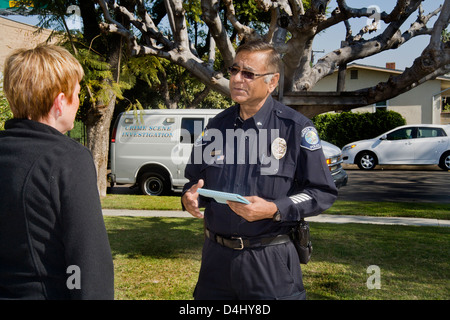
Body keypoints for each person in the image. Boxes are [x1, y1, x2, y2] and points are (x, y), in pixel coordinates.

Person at [182, 40, 337, 300]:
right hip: (215, 262)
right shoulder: (216, 127)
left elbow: (321, 192)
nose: (237, 79)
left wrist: (275, 209)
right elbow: (194, 180)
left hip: (269, 261)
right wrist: (189, 196)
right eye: (234, 70)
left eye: (249, 74)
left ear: (272, 82)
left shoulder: (296, 128)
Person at [0, 44, 114, 299]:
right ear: (60, 102)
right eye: (77, 94)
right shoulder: (68, 159)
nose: (79, 103)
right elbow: (89, 263)